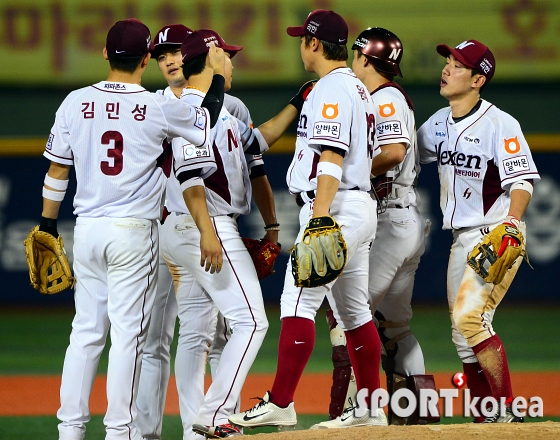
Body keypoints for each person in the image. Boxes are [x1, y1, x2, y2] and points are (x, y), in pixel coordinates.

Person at [41, 18, 226, 440]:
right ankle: (118, 432)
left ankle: (69, 431)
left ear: (105, 54)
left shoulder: (74, 101)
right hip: (132, 231)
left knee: (85, 333)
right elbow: (203, 123)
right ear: (146, 59)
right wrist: (211, 75)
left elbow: (56, 169)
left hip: (86, 229)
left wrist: (47, 223)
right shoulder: (157, 105)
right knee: (128, 336)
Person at [136, 24, 299, 439]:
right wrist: (208, 233)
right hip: (202, 227)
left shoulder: (218, 110)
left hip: (192, 227)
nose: (232, 59)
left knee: (196, 330)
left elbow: (255, 143)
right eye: (226, 53)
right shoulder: (187, 111)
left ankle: (198, 429)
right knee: (251, 321)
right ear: (211, 59)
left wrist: (297, 103)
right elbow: (190, 178)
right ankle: (215, 416)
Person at [229, 9, 388, 430]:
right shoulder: (353, 87)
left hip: (335, 207)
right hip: (355, 206)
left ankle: (281, 402)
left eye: (303, 38)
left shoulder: (332, 88)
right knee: (354, 311)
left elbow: (332, 157)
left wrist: (319, 218)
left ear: (314, 44)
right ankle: (371, 408)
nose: (300, 44)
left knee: (297, 301)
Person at [417, 39, 540, 423]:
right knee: (461, 333)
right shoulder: (437, 123)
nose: (447, 69)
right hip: (460, 239)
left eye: (458, 65)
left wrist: (511, 223)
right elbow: (403, 155)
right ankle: (486, 416)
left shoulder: (500, 123)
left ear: (477, 80)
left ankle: (505, 410)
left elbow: (522, 182)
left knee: (471, 319)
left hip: (492, 233)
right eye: (448, 62)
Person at [322, 28, 437, 425]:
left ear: (364, 59)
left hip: (389, 219)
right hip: (402, 220)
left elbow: (392, 151)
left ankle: (353, 411)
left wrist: (348, 173)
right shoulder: (384, 97)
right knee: (394, 327)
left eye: (356, 55)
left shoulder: (384, 98)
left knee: (347, 314)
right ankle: (420, 415)